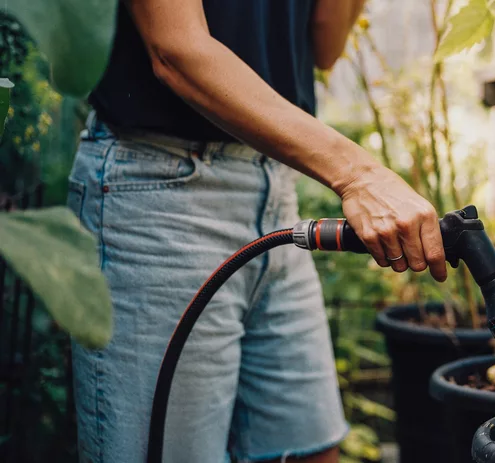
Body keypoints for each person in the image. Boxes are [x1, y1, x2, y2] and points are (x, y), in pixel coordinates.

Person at [67, 1, 447, 462]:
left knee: (310, 450)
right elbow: (175, 48)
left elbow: (325, 45)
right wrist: (361, 175)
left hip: (273, 187)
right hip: (160, 191)